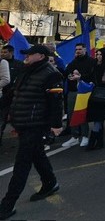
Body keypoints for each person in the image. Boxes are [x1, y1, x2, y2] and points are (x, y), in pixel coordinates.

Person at [0, 45, 63, 220]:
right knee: (37, 155)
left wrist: (56, 126)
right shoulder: (26, 71)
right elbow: (14, 94)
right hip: (22, 122)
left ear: (41, 56)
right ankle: (50, 183)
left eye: (30, 54)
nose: (26, 56)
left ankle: (7, 204)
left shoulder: (51, 74)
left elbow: (56, 102)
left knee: (22, 163)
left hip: (36, 124)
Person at [62, 43, 95, 148]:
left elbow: (92, 76)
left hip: (84, 91)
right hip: (73, 90)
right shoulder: (73, 61)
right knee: (72, 114)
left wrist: (80, 77)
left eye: (80, 49)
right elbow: (66, 73)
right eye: (76, 49)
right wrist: (71, 76)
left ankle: (85, 136)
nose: (78, 51)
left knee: (82, 114)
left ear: (85, 49)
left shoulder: (91, 61)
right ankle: (74, 136)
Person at [85, 47, 105, 150]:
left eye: (101, 54)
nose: (99, 56)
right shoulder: (95, 65)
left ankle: (92, 142)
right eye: (97, 54)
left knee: (98, 119)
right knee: (97, 119)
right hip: (95, 95)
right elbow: (90, 76)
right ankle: (99, 142)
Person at [0, 45, 22, 145]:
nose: (3, 54)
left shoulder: (19, 64)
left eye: (5, 52)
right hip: (2, 95)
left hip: (13, 95)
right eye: (2, 52)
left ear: (12, 52)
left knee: (16, 118)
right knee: (2, 119)